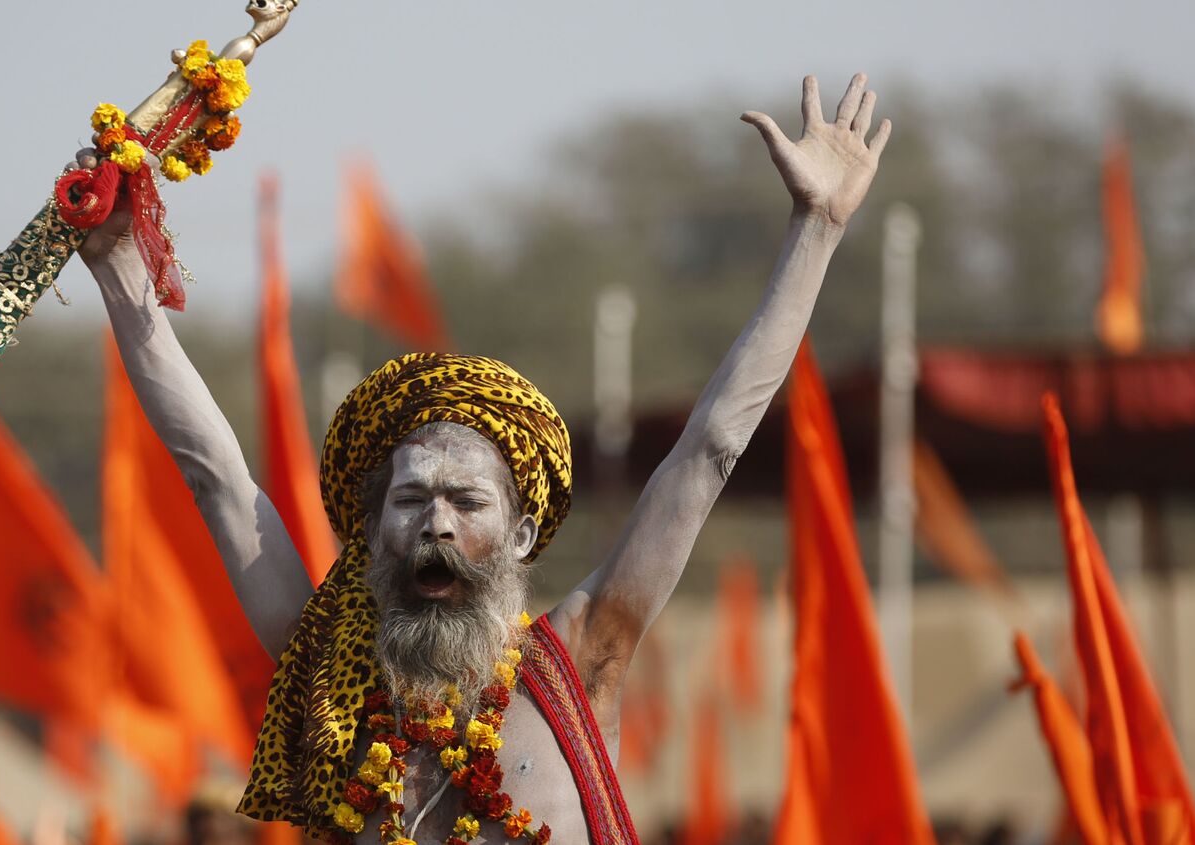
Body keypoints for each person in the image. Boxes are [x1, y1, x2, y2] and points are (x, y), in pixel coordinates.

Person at [76, 73, 891, 845]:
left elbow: (710, 449)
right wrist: (118, 269)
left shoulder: (581, 657)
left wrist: (815, 230)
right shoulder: (329, 679)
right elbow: (216, 474)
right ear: (372, 529)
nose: (436, 521)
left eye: (468, 502)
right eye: (411, 500)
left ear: (523, 531)